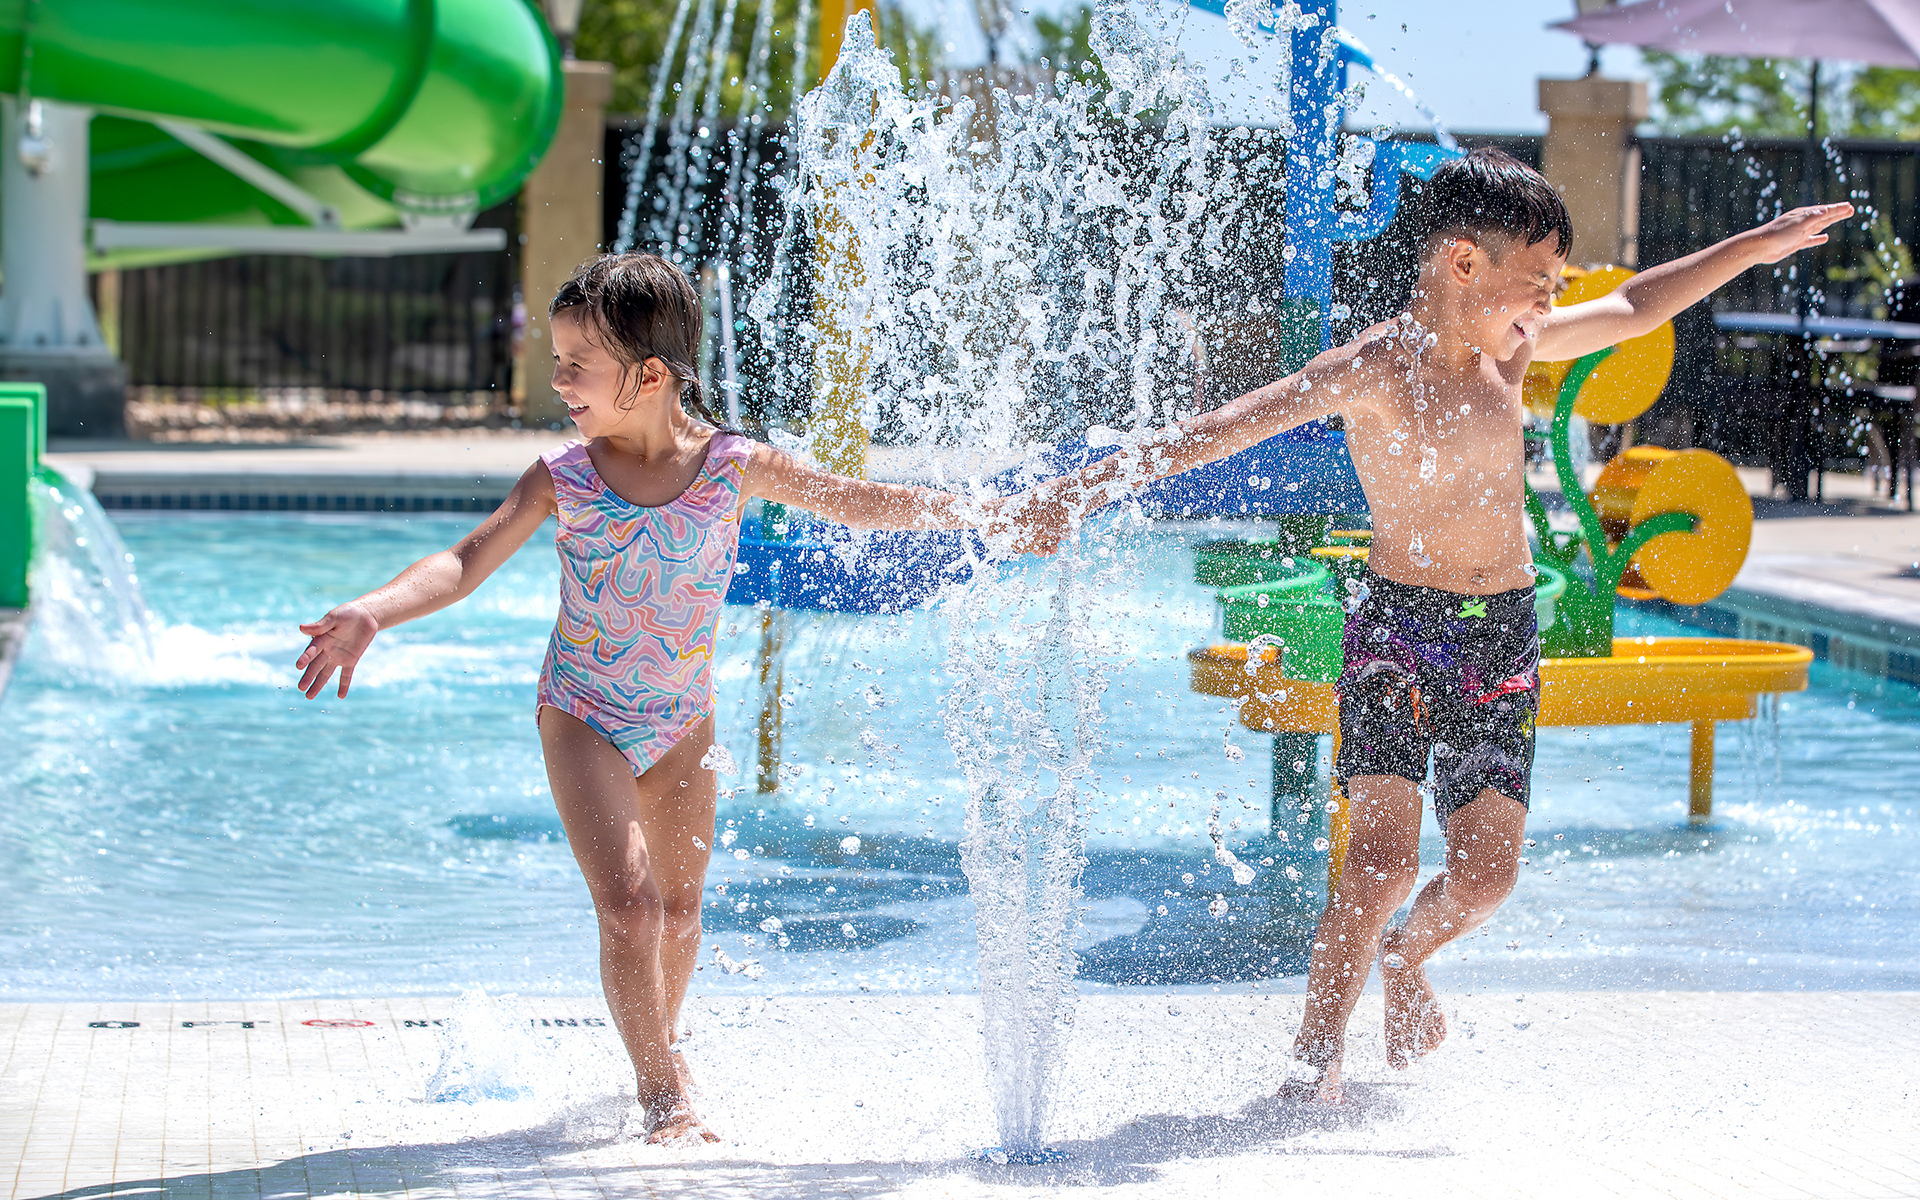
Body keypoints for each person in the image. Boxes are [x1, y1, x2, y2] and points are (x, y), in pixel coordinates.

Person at [1004, 149, 1852, 1103]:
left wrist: (1753, 246)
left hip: (1502, 636)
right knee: (1379, 867)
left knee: (1486, 880)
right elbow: (1221, 431)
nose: (1551, 300)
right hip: (1397, 632)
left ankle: (1406, 957)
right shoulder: (1371, 369)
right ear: (1463, 263)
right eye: (1540, 279)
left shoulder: (1513, 351)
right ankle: (1313, 1060)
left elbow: (1633, 306)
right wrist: (1075, 496)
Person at [293, 253, 977, 1143]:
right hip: (582, 712)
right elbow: (462, 562)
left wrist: (986, 517)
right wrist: (374, 611)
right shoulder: (565, 476)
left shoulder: (734, 465)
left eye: (578, 362)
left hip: (683, 720)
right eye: (558, 358)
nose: (559, 379)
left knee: (680, 914)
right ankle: (664, 1096)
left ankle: (661, 1050)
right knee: (630, 908)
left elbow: (862, 503)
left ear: (649, 375)